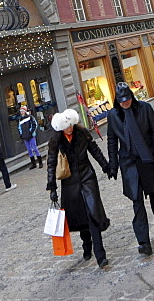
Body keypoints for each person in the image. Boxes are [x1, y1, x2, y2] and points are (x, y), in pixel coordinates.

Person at [106, 82, 154, 256]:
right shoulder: (113, 116)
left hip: (148, 159)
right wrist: (113, 165)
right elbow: (111, 140)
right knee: (137, 202)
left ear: (131, 97)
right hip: (129, 163)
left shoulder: (145, 109)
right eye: (122, 101)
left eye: (127, 99)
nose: (125, 103)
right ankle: (143, 242)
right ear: (117, 101)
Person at [46, 109, 111, 267]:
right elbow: (51, 163)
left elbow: (94, 149)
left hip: (87, 176)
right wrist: (52, 187)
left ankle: (100, 255)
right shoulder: (56, 141)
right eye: (66, 126)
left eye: (71, 125)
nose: (69, 128)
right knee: (81, 214)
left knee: (92, 213)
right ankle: (86, 244)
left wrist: (105, 166)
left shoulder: (82, 133)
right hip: (69, 182)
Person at [17, 105, 42, 169]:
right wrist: (21, 134)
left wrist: (31, 131)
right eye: (21, 111)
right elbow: (19, 128)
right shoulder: (20, 119)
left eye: (23, 111)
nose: (22, 112)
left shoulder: (30, 117)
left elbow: (35, 124)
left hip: (31, 135)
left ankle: (40, 162)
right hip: (25, 137)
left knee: (35, 148)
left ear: (25, 111)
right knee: (29, 150)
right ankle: (33, 164)